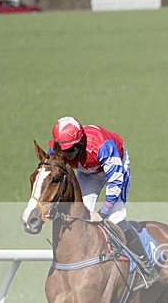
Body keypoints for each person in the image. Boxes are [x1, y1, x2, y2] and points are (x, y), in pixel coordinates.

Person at [48, 116, 157, 282]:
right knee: (78, 214)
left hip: (116, 168)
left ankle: (146, 266)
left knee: (115, 218)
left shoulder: (102, 146)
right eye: (63, 150)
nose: (67, 155)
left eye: (70, 150)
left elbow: (115, 182)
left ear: (80, 142)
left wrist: (103, 212)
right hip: (88, 172)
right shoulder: (56, 150)